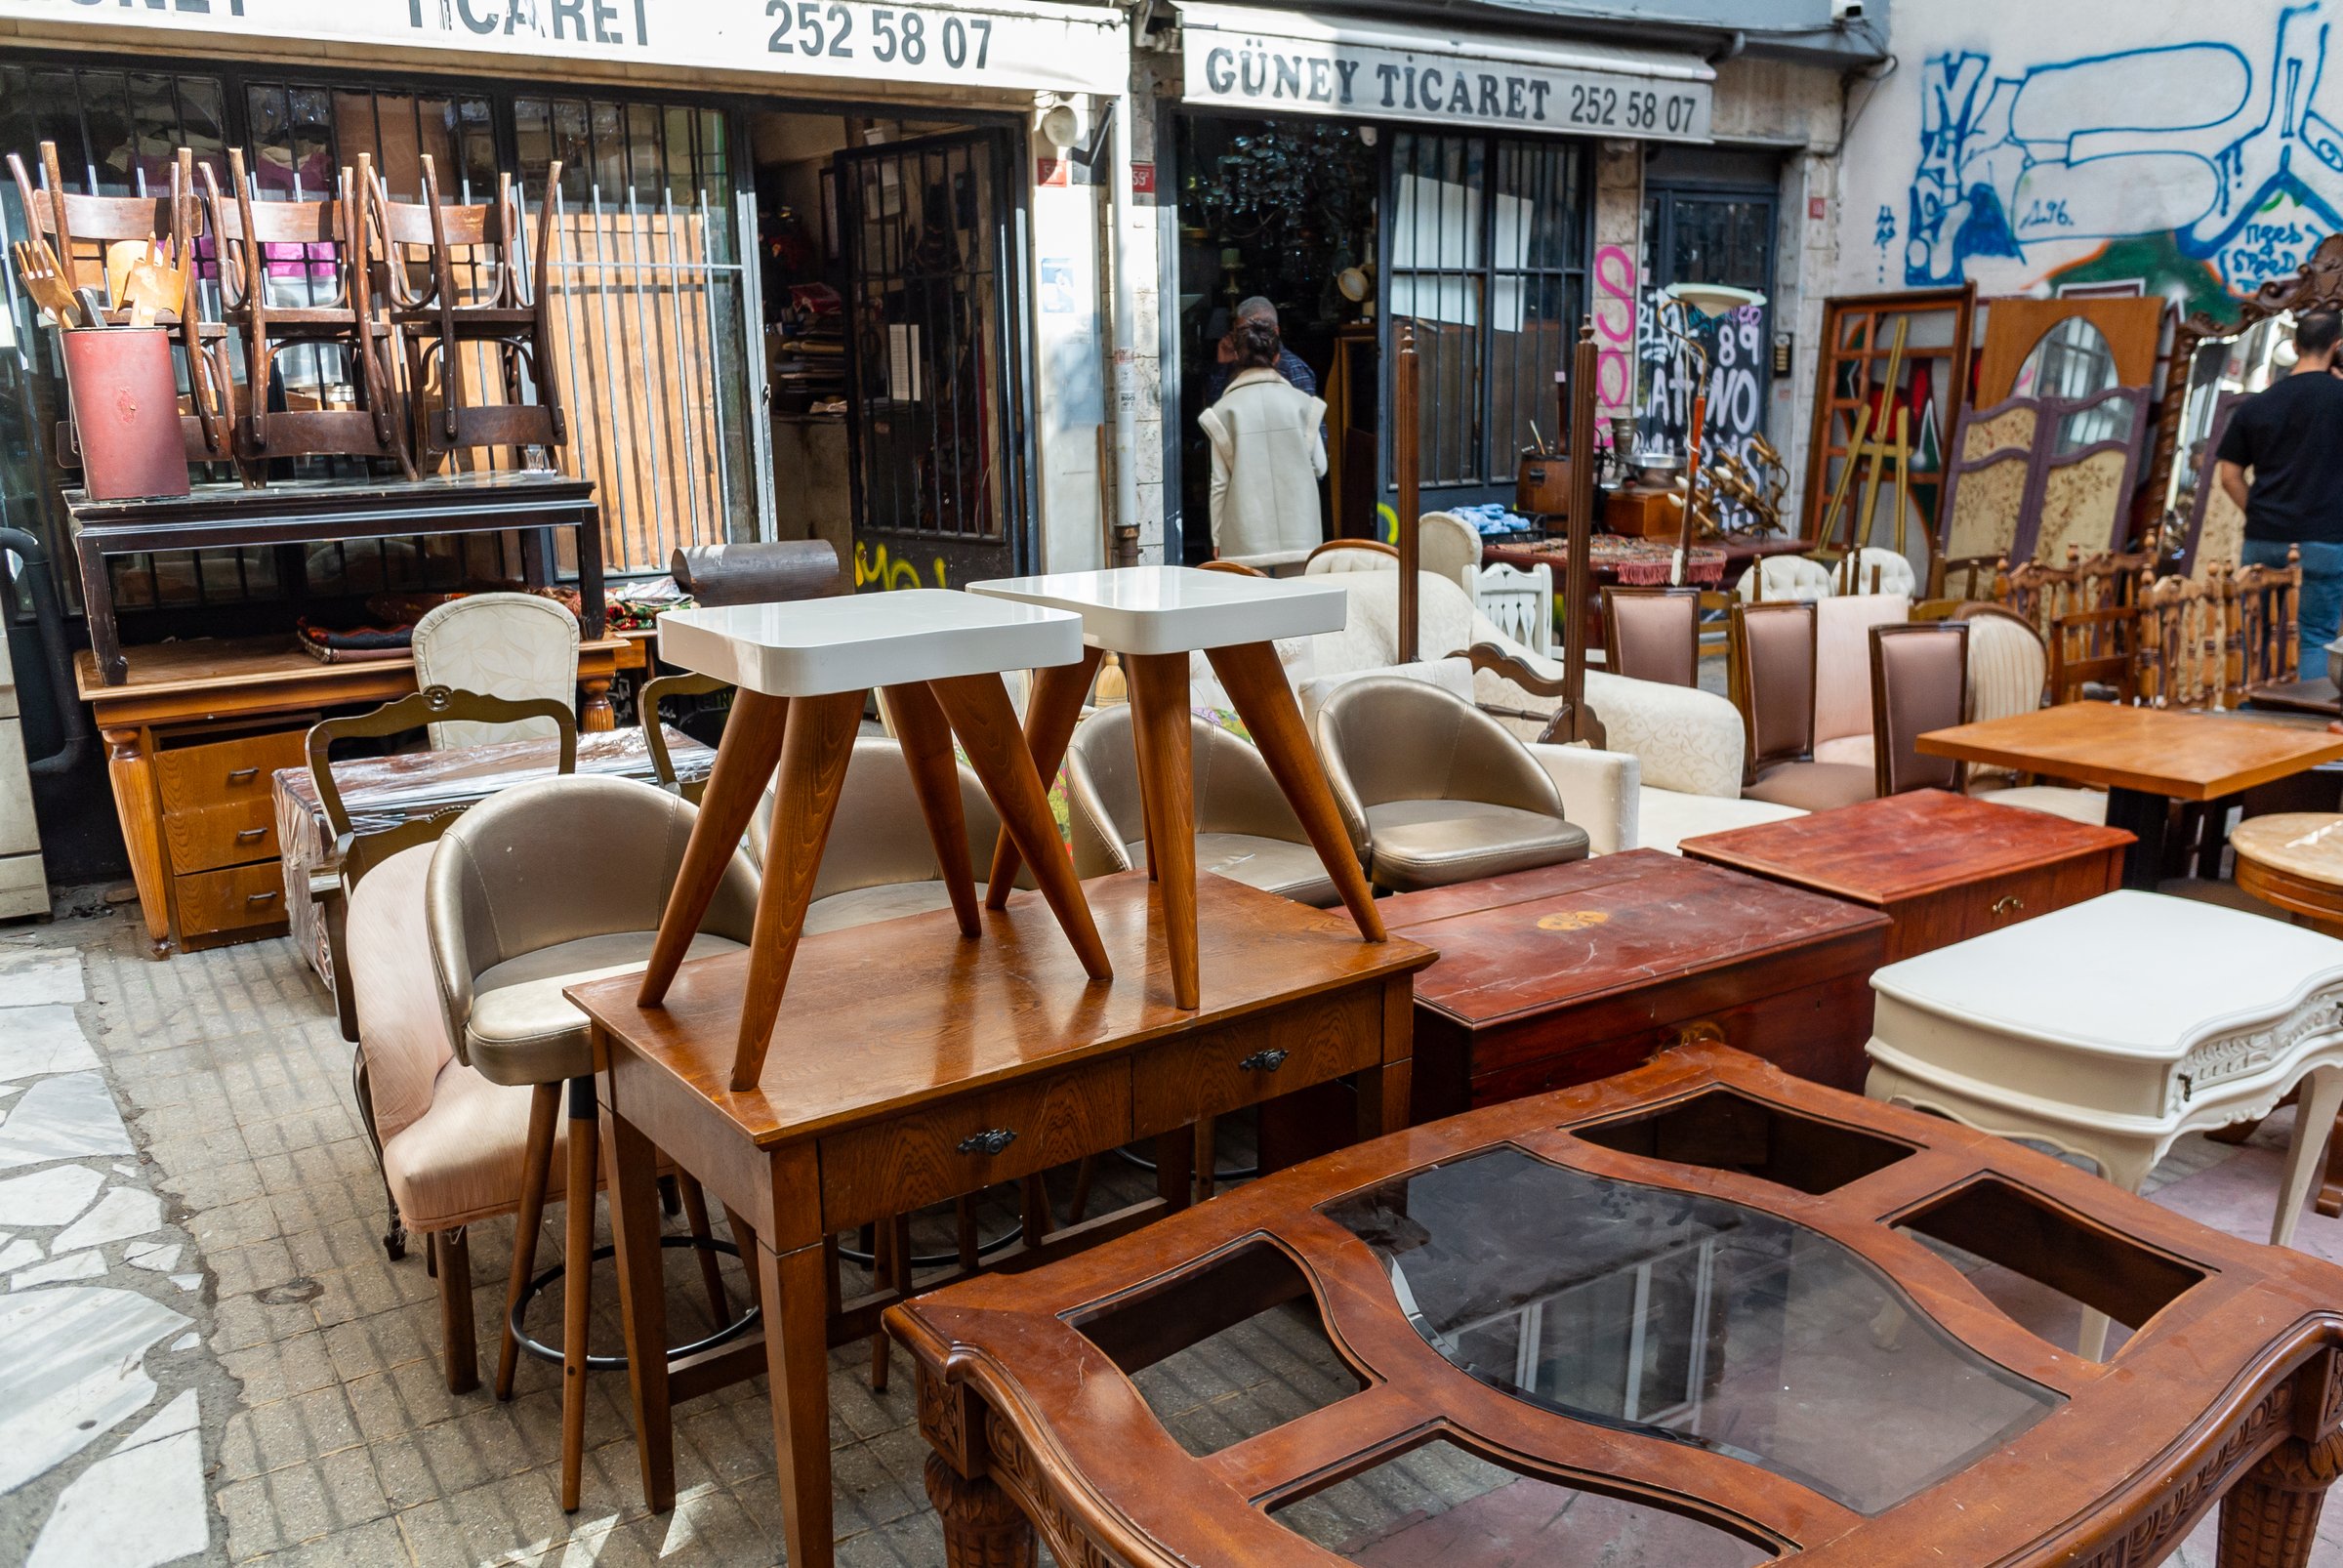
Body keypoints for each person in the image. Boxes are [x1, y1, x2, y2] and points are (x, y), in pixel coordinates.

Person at [2216, 308, 2343, 671]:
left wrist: (2258, 513)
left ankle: (2247, 713)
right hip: (2323, 540)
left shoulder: (2257, 404)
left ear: (2293, 345)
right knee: (2314, 635)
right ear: (2337, 346)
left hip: (2263, 538)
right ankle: (2299, 722)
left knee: (2254, 634)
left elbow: (2229, 476)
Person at [1198, 314, 1327, 562]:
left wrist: (1216, 539)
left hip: (1245, 538)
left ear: (1237, 357)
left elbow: (1220, 484)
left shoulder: (1224, 412)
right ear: (1277, 357)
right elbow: (1320, 467)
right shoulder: (1303, 405)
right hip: (1301, 534)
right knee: (1297, 598)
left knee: (1252, 599)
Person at [1203, 297, 1316, 404]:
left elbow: (1311, 419)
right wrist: (1223, 365)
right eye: (1241, 332)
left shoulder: (1294, 368)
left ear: (1275, 331)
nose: (1249, 337)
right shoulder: (1234, 360)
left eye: (1256, 331)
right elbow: (1214, 410)